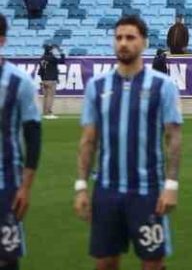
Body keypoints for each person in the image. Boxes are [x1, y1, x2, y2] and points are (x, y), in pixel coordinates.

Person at [75, 14, 183, 270]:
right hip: (107, 190)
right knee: (105, 262)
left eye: (130, 37)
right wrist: (81, 186)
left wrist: (171, 185)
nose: (123, 43)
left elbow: (173, 138)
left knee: (152, 262)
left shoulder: (163, 86)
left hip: (148, 190)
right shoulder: (96, 86)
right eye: (119, 37)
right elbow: (88, 140)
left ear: (144, 42)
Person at [0, 14, 40, 269]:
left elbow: (33, 136)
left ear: (2, 40)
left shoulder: (19, 82)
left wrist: (25, 187)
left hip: (7, 184)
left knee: (7, 258)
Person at [38, 43, 63, 119]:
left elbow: (40, 71)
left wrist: (42, 79)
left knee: (45, 97)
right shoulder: (52, 58)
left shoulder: (42, 58)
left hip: (44, 80)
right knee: (50, 97)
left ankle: (45, 112)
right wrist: (60, 52)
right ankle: (49, 112)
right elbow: (62, 60)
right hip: (51, 80)